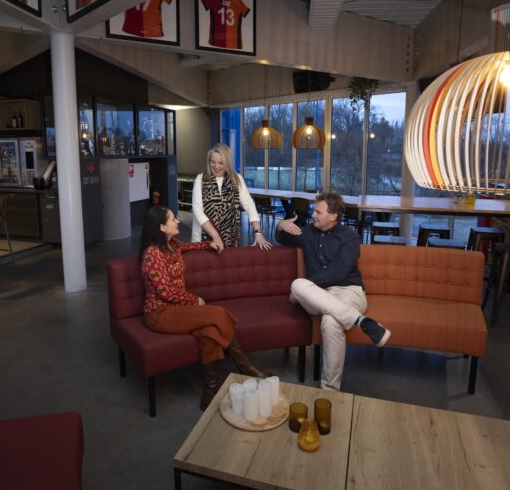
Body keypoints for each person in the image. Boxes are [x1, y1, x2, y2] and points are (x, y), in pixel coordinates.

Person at [140, 206, 267, 409]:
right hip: (160, 313)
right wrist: (193, 300)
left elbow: (190, 247)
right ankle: (246, 368)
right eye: (173, 219)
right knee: (218, 314)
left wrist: (209, 244)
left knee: (210, 330)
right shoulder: (152, 254)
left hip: (178, 308)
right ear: (162, 227)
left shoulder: (172, 245)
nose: (177, 221)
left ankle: (210, 392)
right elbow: (165, 293)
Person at [275, 191, 391, 391]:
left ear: (333, 216)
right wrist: (281, 225)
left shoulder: (350, 237)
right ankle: (361, 321)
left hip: (349, 291)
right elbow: (282, 238)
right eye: (314, 211)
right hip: (318, 295)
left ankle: (329, 391)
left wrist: (308, 286)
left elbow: (339, 271)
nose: (313, 215)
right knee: (297, 284)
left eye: (318, 212)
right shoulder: (308, 232)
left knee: (330, 322)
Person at [191, 143, 271, 251]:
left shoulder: (236, 179)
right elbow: (197, 210)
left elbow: (249, 205)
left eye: (221, 163)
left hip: (230, 240)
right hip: (204, 239)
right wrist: (215, 236)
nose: (216, 166)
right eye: (213, 162)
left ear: (228, 163)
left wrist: (258, 232)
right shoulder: (200, 179)